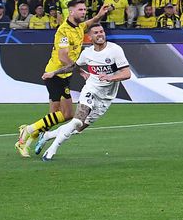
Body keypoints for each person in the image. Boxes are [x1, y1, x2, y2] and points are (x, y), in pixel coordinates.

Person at [16, 0, 111, 157]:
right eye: (80, 10)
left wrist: (100, 14)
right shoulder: (63, 31)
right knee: (67, 114)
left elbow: (91, 22)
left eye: (84, 9)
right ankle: (28, 131)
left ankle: (28, 136)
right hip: (55, 74)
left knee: (53, 116)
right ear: (71, 11)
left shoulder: (79, 26)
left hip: (64, 75)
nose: (84, 12)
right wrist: (81, 71)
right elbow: (63, 56)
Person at [35, 23, 131, 161]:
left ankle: (47, 136)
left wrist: (111, 77)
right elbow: (73, 67)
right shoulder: (87, 53)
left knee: (77, 129)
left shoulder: (115, 50)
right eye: (96, 32)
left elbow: (127, 73)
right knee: (76, 121)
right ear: (89, 37)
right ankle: (51, 150)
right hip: (90, 90)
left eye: (102, 31)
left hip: (105, 98)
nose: (100, 34)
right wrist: (54, 73)